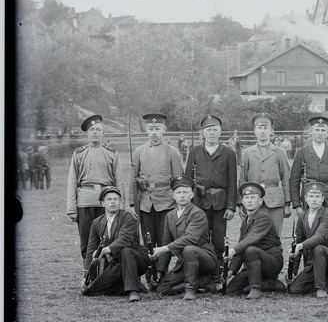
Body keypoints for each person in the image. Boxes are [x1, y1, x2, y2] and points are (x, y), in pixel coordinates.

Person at [150, 175, 221, 300]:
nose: (182, 195)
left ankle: (190, 290)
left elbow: (190, 238)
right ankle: (202, 282)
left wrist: (164, 248)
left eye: (185, 192)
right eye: (178, 192)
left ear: (192, 195)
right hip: (186, 262)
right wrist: (160, 272)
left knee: (189, 248)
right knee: (162, 289)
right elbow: (166, 242)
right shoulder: (170, 216)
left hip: (204, 259)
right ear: (173, 196)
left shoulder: (198, 213)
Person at [67, 115, 127, 261]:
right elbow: (72, 181)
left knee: (109, 239)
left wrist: (122, 206)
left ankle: (107, 274)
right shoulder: (79, 153)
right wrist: (71, 208)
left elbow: (119, 180)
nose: (95, 132)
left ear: (103, 133)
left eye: (98, 130)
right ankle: (88, 273)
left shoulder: (112, 153)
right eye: (92, 130)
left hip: (107, 203)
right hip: (85, 202)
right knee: (87, 241)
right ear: (87, 133)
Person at [185, 114, 238, 269]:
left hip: (220, 204)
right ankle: (204, 271)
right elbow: (188, 179)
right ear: (203, 133)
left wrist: (230, 206)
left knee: (219, 241)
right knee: (201, 238)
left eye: (215, 130)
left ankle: (218, 273)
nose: (212, 133)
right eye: (208, 130)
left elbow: (232, 182)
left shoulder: (229, 153)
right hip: (199, 203)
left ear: (220, 132)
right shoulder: (194, 152)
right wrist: (189, 204)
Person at [82, 186, 150, 301]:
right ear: (102, 203)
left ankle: (133, 291)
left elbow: (125, 240)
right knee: (90, 291)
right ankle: (128, 286)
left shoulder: (128, 217)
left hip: (137, 260)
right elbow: (91, 248)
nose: (113, 202)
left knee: (125, 250)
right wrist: (86, 275)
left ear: (120, 202)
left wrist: (105, 250)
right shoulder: (97, 222)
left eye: (116, 199)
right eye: (109, 199)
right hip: (117, 264)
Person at [223, 182, 286, 299]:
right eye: (246, 198)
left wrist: (233, 250)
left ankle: (256, 289)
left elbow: (252, 238)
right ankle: (269, 283)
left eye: (253, 197)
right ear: (243, 202)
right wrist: (231, 271)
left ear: (260, 201)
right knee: (231, 290)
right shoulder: (245, 221)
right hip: (254, 264)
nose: (250, 201)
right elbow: (241, 246)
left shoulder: (264, 218)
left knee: (250, 250)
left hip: (271, 262)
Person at [129, 113, 183, 249]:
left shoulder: (172, 152)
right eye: (151, 129)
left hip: (166, 201)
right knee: (148, 239)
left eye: (158, 128)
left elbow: (178, 181)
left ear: (164, 130)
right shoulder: (139, 151)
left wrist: (178, 203)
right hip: (145, 202)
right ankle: (149, 268)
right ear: (146, 130)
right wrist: (131, 203)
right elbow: (132, 179)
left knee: (164, 238)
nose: (154, 132)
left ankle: (160, 270)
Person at [287, 181, 328, 299]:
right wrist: (293, 272)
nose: (314, 199)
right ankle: (326, 281)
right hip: (314, 262)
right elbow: (297, 243)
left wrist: (300, 246)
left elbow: (320, 236)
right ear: (306, 199)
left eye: (317, 196)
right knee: (294, 289)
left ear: (323, 198)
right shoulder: (302, 216)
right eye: (311, 196)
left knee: (318, 249)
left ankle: (321, 288)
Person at [239, 112, 292, 237]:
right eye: (259, 128)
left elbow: (286, 178)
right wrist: (241, 203)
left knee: (274, 235)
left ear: (271, 131)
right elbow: (242, 179)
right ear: (254, 131)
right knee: (254, 235)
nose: (263, 131)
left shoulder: (279, 152)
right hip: (254, 199)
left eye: (265, 128)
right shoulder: (247, 153)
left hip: (275, 201)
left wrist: (287, 203)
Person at [290, 116, 328, 221]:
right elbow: (294, 180)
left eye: (323, 130)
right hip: (311, 199)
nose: (320, 133)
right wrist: (297, 205)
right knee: (311, 232)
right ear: (311, 131)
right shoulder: (302, 152)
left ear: (327, 132)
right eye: (317, 130)